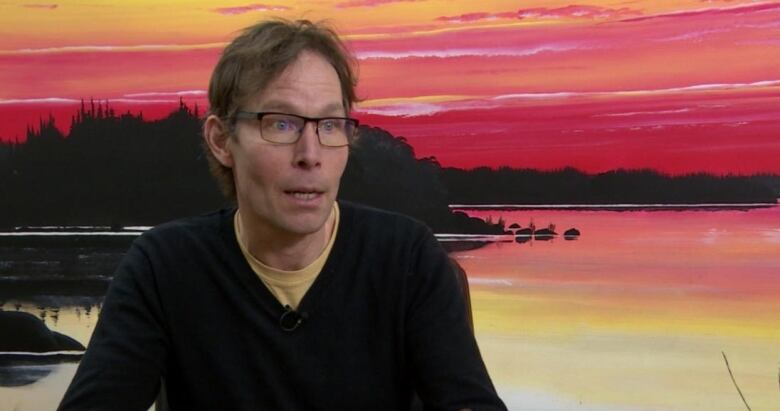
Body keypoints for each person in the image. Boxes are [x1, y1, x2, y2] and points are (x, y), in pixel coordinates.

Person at [58, 19, 506, 410]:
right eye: (281, 123)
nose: (310, 155)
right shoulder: (164, 267)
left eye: (330, 125)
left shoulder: (407, 258)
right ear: (221, 140)